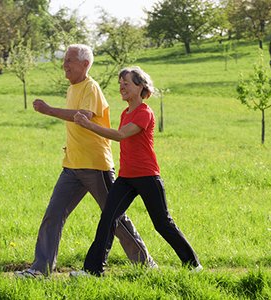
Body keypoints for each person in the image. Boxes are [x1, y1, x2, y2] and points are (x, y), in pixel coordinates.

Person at [15, 45, 155, 278]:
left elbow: (83, 117)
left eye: (69, 61)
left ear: (85, 64)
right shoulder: (72, 88)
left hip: (95, 165)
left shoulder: (91, 87)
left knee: (115, 218)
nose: (65, 65)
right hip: (71, 165)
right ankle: (40, 269)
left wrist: (49, 110)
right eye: (65, 60)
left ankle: (145, 263)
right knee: (54, 214)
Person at [72, 66, 202, 277]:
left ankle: (193, 264)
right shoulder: (126, 112)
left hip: (147, 176)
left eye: (127, 83)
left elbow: (121, 135)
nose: (122, 87)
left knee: (162, 223)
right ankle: (93, 269)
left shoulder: (144, 112)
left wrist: (88, 125)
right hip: (126, 178)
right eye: (120, 83)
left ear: (141, 86)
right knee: (108, 219)